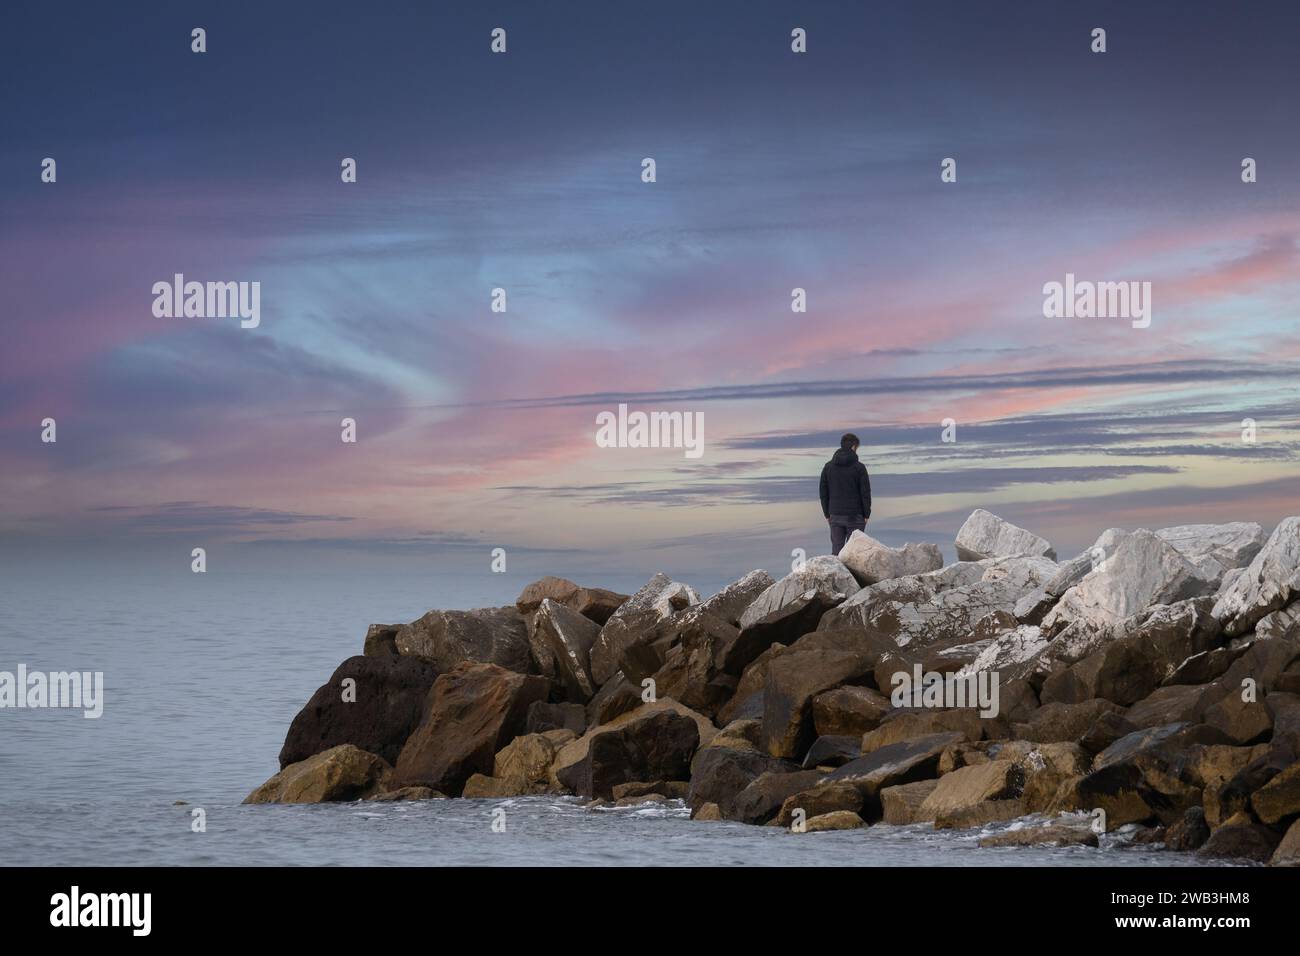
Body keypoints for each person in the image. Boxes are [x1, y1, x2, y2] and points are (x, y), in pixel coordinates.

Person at [819, 433, 872, 555]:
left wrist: (827, 513)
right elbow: (865, 492)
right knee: (854, 553)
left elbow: (823, 492)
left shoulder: (828, 467)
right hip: (855, 515)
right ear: (854, 446)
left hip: (835, 514)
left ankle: (838, 574)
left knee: (837, 552)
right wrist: (866, 513)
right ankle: (852, 575)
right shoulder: (859, 468)